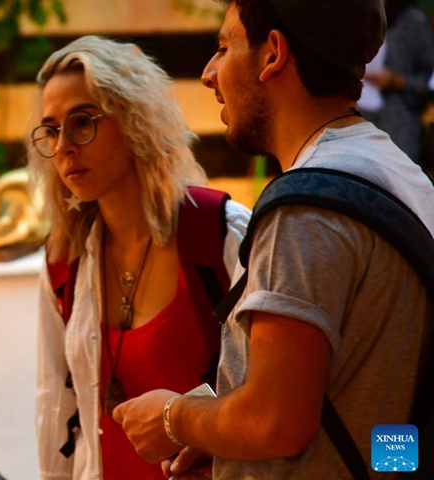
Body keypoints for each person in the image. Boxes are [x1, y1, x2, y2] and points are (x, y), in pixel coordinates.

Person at [113, 0, 434, 478]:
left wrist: (173, 418)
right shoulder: (402, 177)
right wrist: (220, 435)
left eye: (223, 48)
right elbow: (385, 408)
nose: (208, 73)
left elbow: (275, 420)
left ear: (273, 54)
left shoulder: (305, 210)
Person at [30, 36, 251, 480]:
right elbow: (56, 407)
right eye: (51, 131)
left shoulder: (219, 232)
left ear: (135, 120)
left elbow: (274, 398)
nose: (65, 147)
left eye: (82, 122)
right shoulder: (65, 259)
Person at [363, 0, 434, 166]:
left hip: (398, 124)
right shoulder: (360, 15)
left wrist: (397, 81)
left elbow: (429, 79)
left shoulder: (413, 22)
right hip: (361, 116)